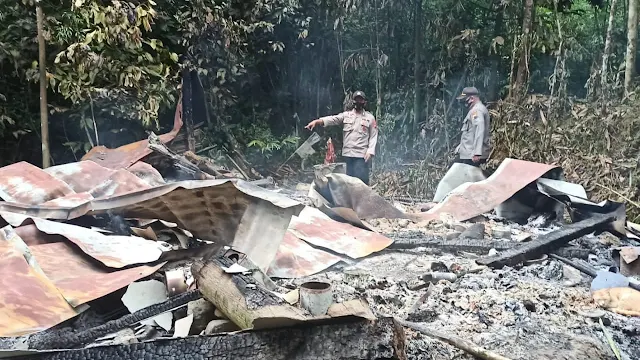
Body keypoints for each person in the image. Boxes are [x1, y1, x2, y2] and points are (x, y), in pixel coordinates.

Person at [305, 91, 378, 185]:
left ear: (364, 102)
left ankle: (363, 199)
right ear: (353, 101)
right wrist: (317, 121)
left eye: (360, 99)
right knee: (349, 182)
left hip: (361, 156)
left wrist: (370, 151)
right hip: (348, 154)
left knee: (361, 182)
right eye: (356, 99)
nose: (358, 101)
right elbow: (333, 119)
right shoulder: (346, 115)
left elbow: (373, 135)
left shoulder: (370, 118)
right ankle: (350, 199)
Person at [454, 86, 491, 166]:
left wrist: (477, 153)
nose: (464, 103)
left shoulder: (476, 111)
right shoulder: (476, 109)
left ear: (471, 98)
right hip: (469, 153)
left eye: (464, 100)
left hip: (472, 156)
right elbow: (471, 132)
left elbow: (479, 129)